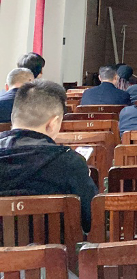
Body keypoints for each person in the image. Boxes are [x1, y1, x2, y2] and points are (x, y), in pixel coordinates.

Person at [0, 81, 97, 232]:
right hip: (56, 247)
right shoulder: (70, 162)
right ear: (53, 123)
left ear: (13, 117)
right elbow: (91, 219)